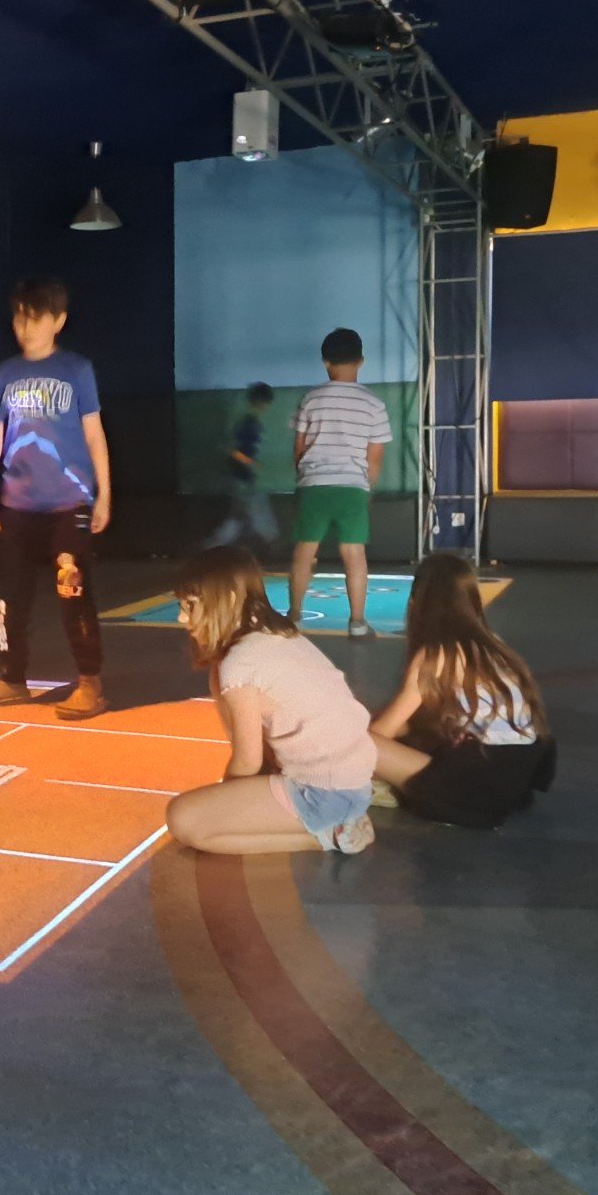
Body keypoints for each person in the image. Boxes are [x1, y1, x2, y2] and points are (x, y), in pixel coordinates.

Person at [164, 547, 377, 855]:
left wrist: (225, 803)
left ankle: (332, 835)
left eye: (191, 605)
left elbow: (247, 761)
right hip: (353, 782)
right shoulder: (276, 633)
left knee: (183, 820)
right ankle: (338, 823)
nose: (182, 618)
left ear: (230, 600)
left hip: (323, 792)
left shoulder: (239, 663)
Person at [0, 276, 112, 721]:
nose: (25, 327)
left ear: (58, 320)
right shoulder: (3, 375)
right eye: (19, 318)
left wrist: (105, 493)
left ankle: (89, 682)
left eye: (35, 318)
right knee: (11, 596)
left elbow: (94, 432)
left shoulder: (76, 370)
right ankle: (12, 678)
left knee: (72, 589)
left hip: (71, 503)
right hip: (17, 504)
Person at [367, 553, 555, 829]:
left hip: (476, 784)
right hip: (517, 777)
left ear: (417, 601)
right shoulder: (492, 644)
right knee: (408, 731)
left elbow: (379, 734)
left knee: (354, 743)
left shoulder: (439, 654)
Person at [290, 327, 392, 638]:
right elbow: (375, 456)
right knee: (354, 554)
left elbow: (299, 447)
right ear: (361, 361)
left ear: (325, 362)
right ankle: (357, 622)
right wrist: (367, 487)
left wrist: (304, 478)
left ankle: (294, 616)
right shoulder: (374, 404)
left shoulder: (311, 398)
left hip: (314, 485)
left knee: (305, 551)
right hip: (352, 487)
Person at [204, 382, 278, 551]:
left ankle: (213, 546)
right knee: (254, 513)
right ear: (262, 402)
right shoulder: (249, 423)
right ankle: (273, 544)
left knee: (239, 516)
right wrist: (251, 463)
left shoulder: (248, 421)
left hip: (241, 476)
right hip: (242, 476)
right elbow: (232, 449)